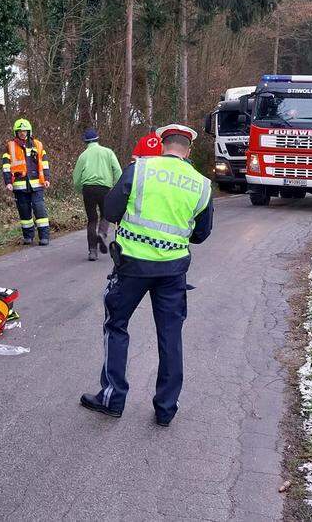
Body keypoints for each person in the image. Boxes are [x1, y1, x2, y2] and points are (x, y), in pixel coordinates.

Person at [80, 124, 213, 427]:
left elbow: (111, 212)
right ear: (188, 150)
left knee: (116, 325)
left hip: (132, 267)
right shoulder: (202, 184)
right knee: (170, 335)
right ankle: (166, 408)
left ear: (162, 144)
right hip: (173, 270)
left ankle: (112, 398)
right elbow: (202, 234)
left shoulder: (139, 170)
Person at [72, 128, 121, 261]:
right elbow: (117, 170)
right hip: (104, 188)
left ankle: (92, 251)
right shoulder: (108, 152)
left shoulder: (83, 155)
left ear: (85, 142)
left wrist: (79, 189)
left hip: (88, 188)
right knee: (106, 214)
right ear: (98, 139)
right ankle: (102, 233)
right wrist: (118, 187)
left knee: (92, 219)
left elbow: (76, 176)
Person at [1, 118, 52, 246]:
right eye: (20, 131)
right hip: (19, 185)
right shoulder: (10, 146)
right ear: (16, 132)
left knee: (39, 210)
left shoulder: (38, 145)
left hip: (37, 184)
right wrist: (8, 182)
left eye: (24, 131)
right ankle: (28, 236)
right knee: (24, 211)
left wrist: (46, 179)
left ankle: (44, 236)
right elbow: (6, 166)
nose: (22, 133)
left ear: (29, 131)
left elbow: (44, 163)